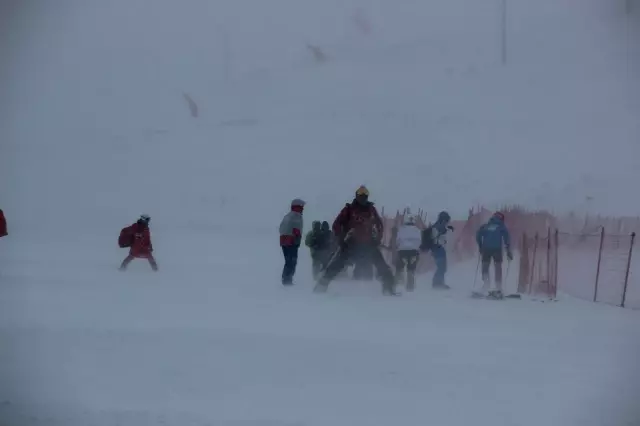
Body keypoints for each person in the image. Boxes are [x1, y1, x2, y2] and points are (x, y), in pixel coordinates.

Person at [314, 186, 396, 295]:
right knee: (337, 264)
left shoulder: (371, 209)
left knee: (381, 264)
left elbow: (379, 225)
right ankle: (321, 286)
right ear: (357, 196)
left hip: (368, 244)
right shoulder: (349, 209)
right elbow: (336, 224)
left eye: (364, 196)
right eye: (361, 196)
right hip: (351, 243)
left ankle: (388, 288)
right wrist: (341, 238)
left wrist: (377, 238)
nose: (362, 198)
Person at [476, 211, 513, 299]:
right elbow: (506, 238)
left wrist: (480, 246)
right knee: (498, 267)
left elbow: (478, 235)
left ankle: (486, 284)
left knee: (485, 265)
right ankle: (498, 286)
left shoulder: (485, 226)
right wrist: (508, 250)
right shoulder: (501, 226)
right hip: (497, 249)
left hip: (486, 249)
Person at [422, 211, 453, 289]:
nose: (447, 222)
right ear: (444, 219)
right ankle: (437, 283)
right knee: (442, 267)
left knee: (441, 266)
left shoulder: (436, 225)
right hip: (438, 248)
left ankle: (439, 282)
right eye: (447, 220)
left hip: (436, 248)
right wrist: (448, 230)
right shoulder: (439, 226)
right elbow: (440, 234)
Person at [279, 198, 305, 285]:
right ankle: (287, 280)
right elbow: (287, 229)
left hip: (288, 242)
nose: (303, 209)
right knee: (291, 261)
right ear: (297, 207)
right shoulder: (295, 216)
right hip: (291, 242)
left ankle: (287, 279)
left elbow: (281, 229)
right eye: (301, 207)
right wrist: (294, 234)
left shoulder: (289, 216)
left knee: (290, 261)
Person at [394, 214, 422, 291]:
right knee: (411, 269)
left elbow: (397, 241)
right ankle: (410, 286)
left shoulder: (401, 229)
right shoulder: (417, 230)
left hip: (402, 251)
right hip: (413, 251)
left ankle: (396, 284)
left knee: (399, 267)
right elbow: (419, 241)